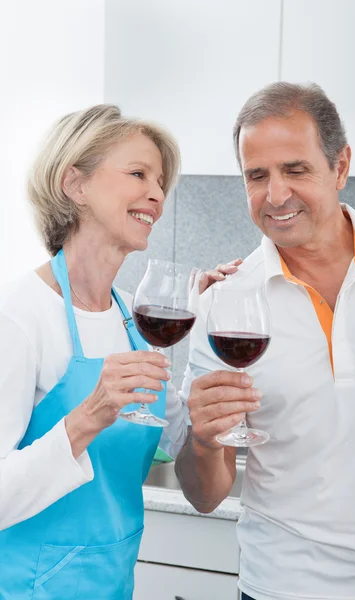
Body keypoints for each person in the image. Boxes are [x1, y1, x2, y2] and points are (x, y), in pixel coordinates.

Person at [0, 104, 240, 599]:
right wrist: (89, 415)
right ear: (75, 184)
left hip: (111, 586)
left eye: (160, 181)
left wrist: (209, 435)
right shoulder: (18, 316)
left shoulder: (133, 319)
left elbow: (204, 494)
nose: (156, 194)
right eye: (138, 174)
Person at [175, 82, 355, 600]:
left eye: (295, 170)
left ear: (340, 166)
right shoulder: (224, 304)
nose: (276, 195)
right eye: (257, 176)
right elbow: (204, 494)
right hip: (280, 586)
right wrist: (205, 440)